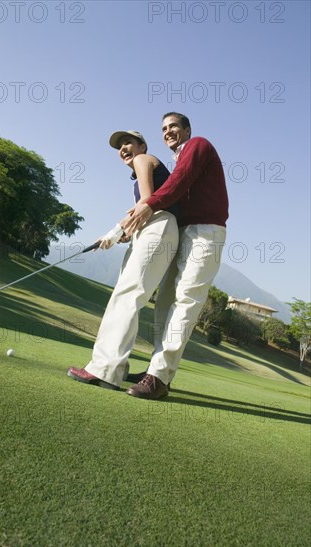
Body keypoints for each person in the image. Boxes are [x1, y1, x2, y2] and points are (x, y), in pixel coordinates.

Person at [122, 112, 229, 399]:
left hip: (206, 232)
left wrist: (149, 205)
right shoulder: (177, 160)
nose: (168, 132)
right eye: (164, 129)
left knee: (186, 300)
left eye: (173, 127)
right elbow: (174, 189)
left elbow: (179, 182)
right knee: (164, 303)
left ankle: (159, 376)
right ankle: (155, 369)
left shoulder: (198, 146)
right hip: (180, 233)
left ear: (187, 129)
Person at [67, 130, 179, 390]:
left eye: (128, 142)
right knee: (127, 295)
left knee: (126, 296)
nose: (123, 148)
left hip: (159, 225)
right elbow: (142, 211)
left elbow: (148, 202)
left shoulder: (144, 160)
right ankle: (117, 366)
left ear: (142, 145)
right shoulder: (137, 176)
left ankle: (106, 370)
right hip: (155, 229)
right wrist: (122, 234)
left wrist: (116, 230)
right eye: (119, 145)